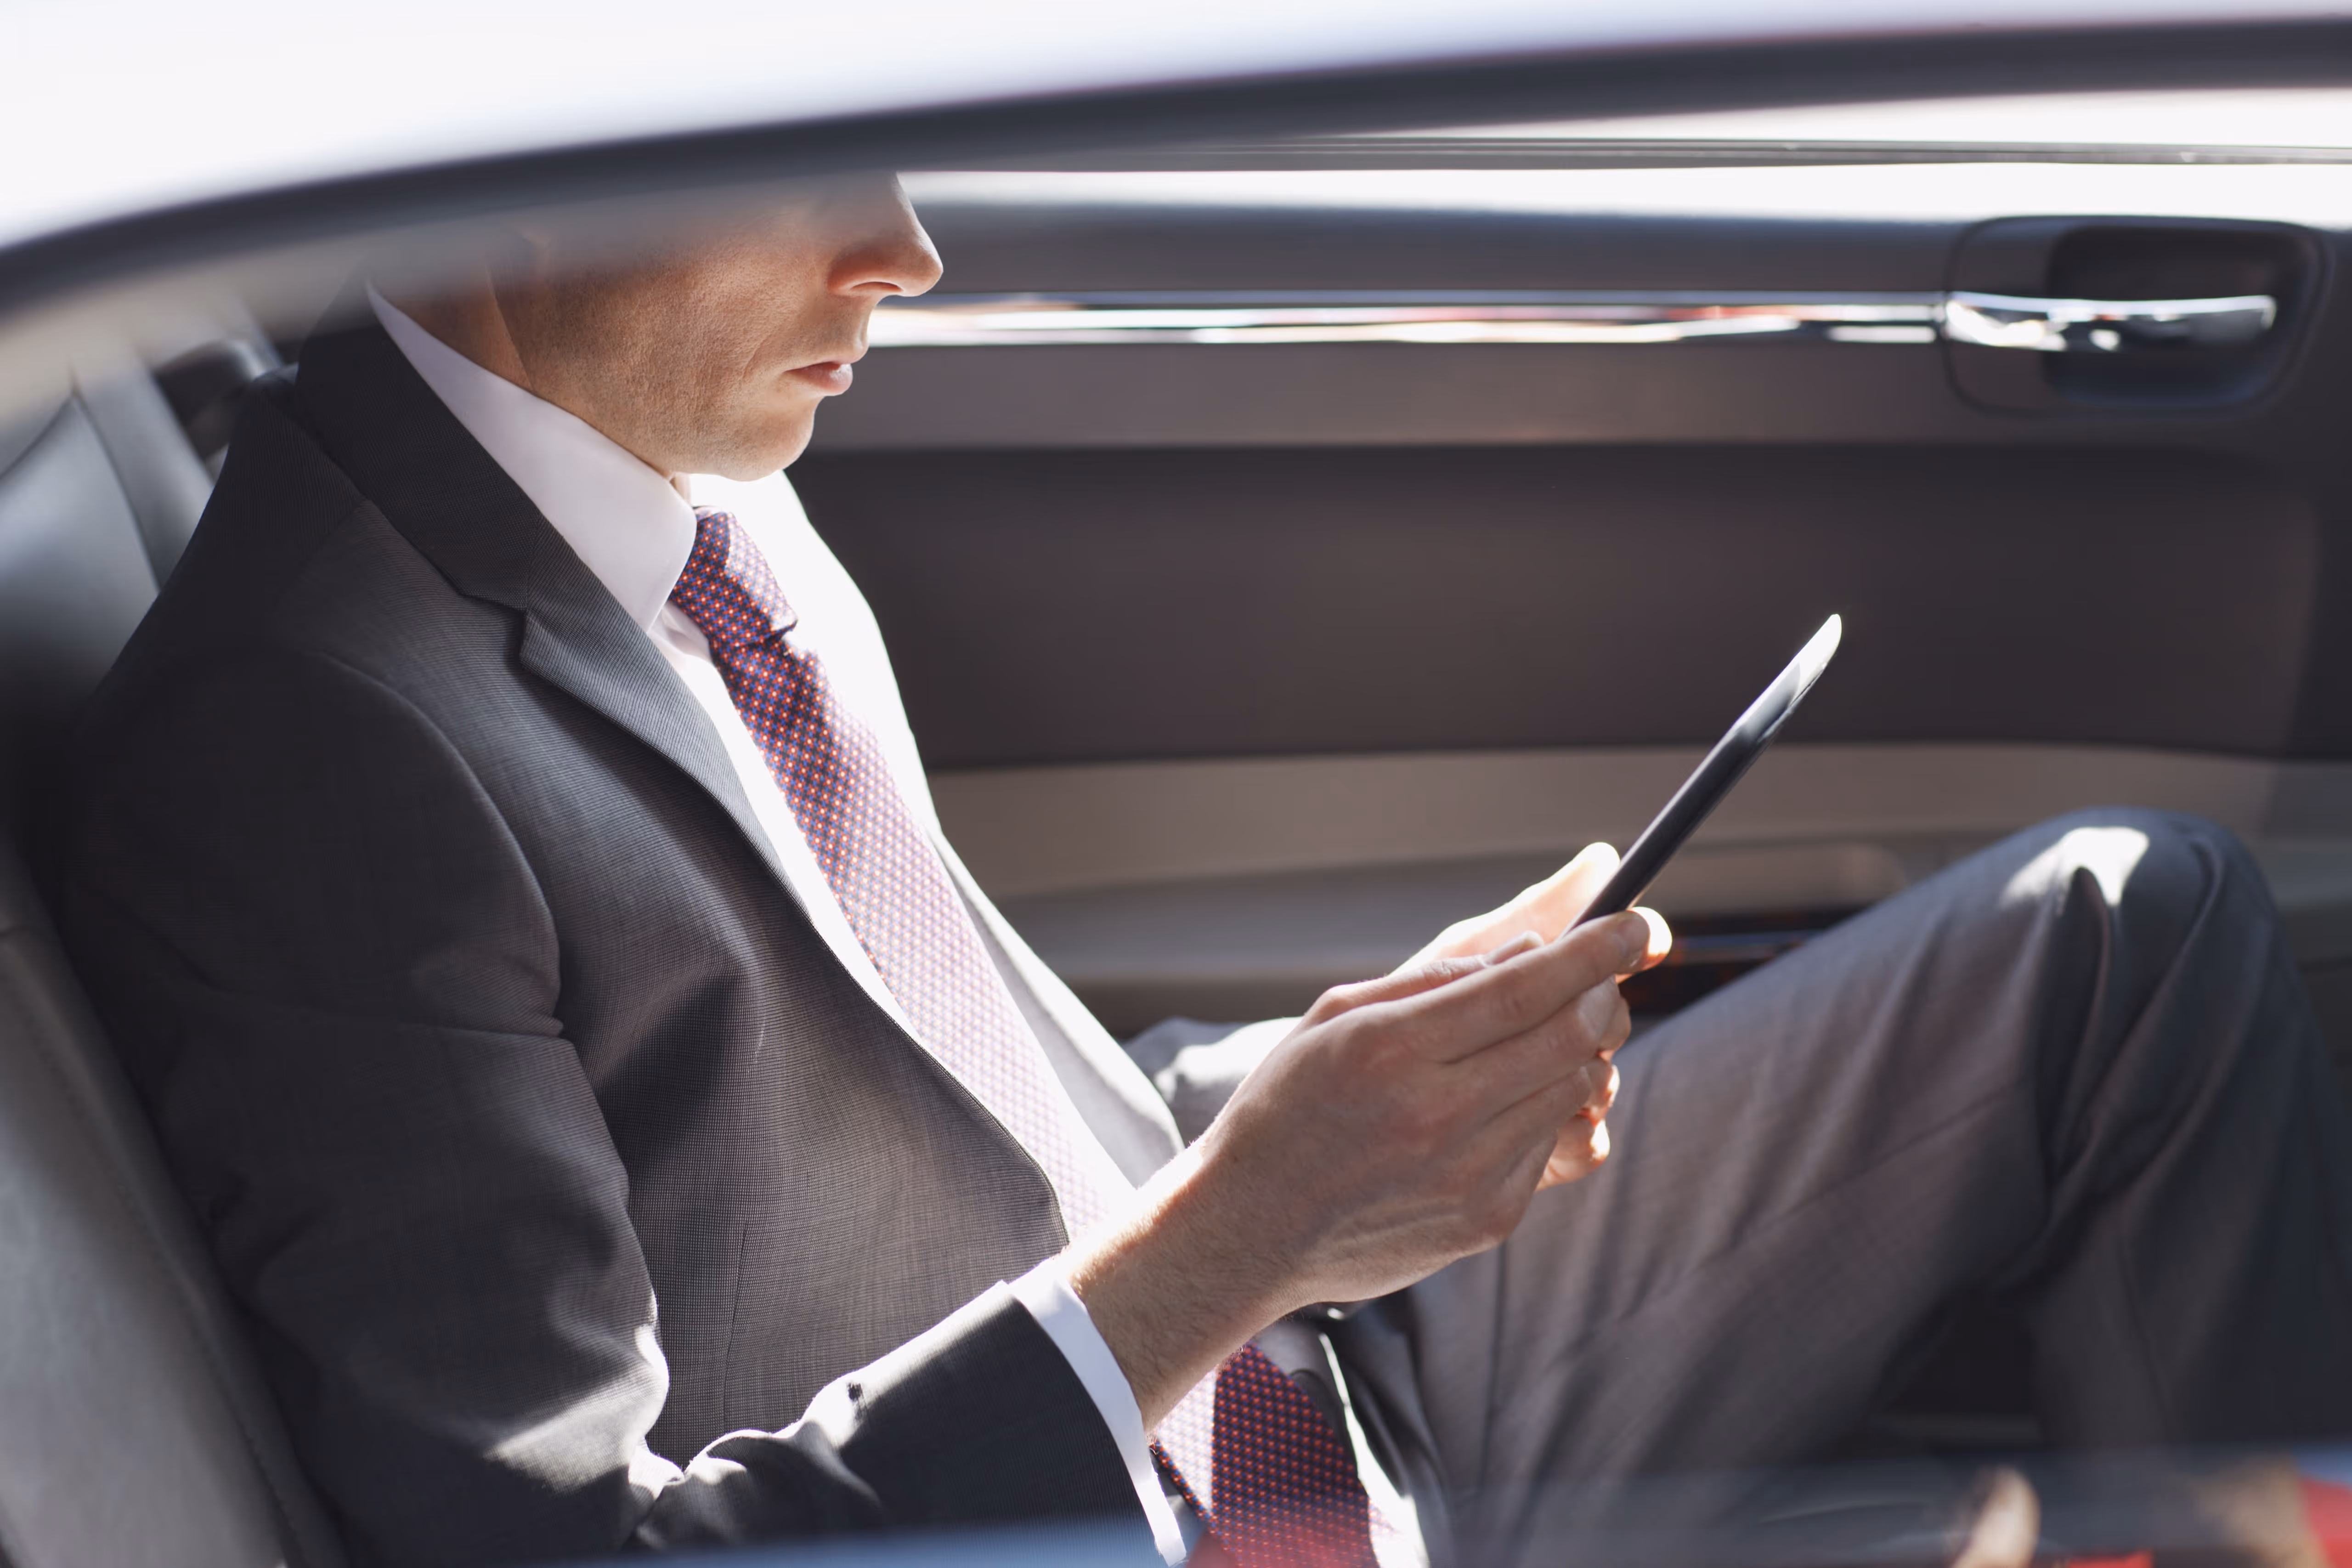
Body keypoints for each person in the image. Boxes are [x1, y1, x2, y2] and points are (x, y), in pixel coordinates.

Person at [56, 175, 2352, 1568]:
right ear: (524, 181)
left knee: (2126, 936)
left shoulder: (683, 473)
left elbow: (937, 1068)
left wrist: (1327, 1091)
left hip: (1307, 1377)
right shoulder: (310, 742)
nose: (912, 254)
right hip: (1117, 1481)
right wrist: (1241, 1231)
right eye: (803, 170)